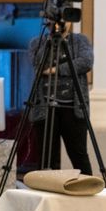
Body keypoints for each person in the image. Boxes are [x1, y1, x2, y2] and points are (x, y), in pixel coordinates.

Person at [28, 21, 94, 175]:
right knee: (47, 159)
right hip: (44, 108)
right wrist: (53, 40)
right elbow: (38, 64)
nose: (61, 23)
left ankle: (87, 190)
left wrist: (56, 69)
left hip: (73, 108)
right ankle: (49, 194)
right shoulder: (38, 42)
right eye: (57, 18)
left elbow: (85, 62)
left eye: (65, 19)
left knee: (79, 155)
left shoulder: (80, 41)